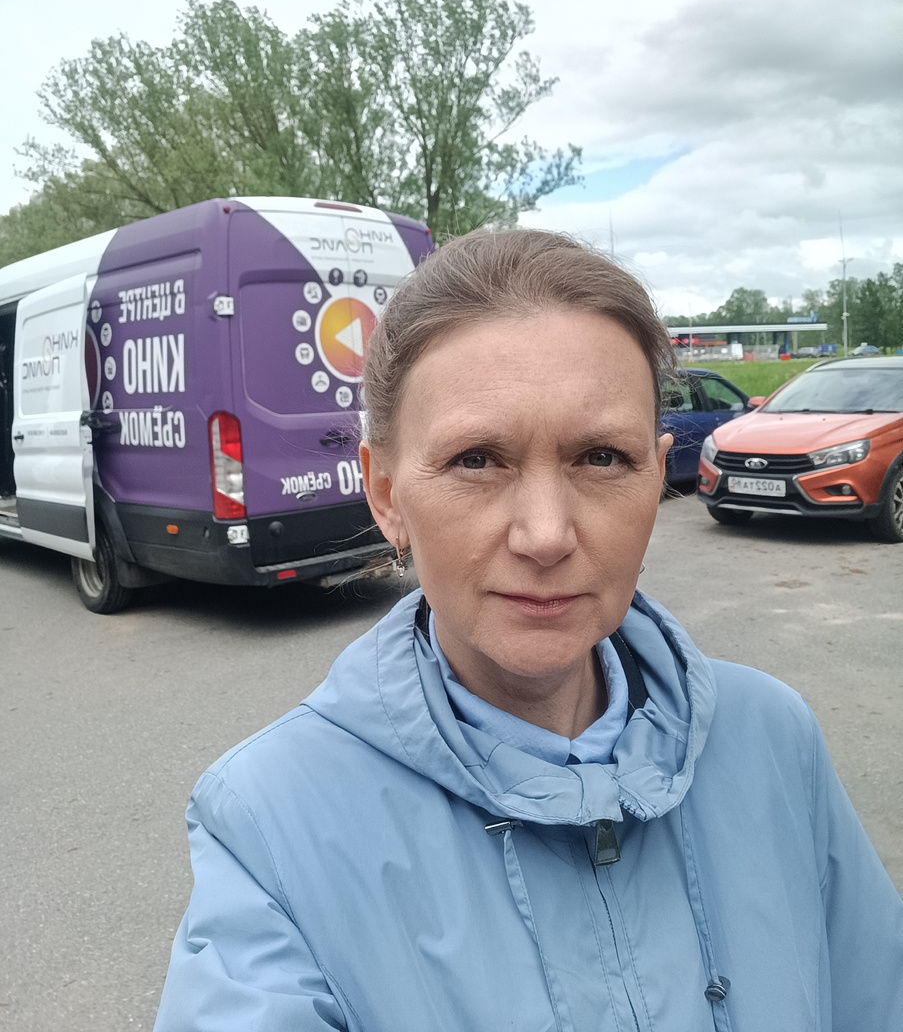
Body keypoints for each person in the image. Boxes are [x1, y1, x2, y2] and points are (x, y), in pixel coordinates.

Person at [154, 230, 903, 1032]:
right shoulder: (271, 821)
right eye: (476, 459)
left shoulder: (771, 739)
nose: (545, 535)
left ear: (658, 476)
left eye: (601, 458)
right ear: (385, 494)